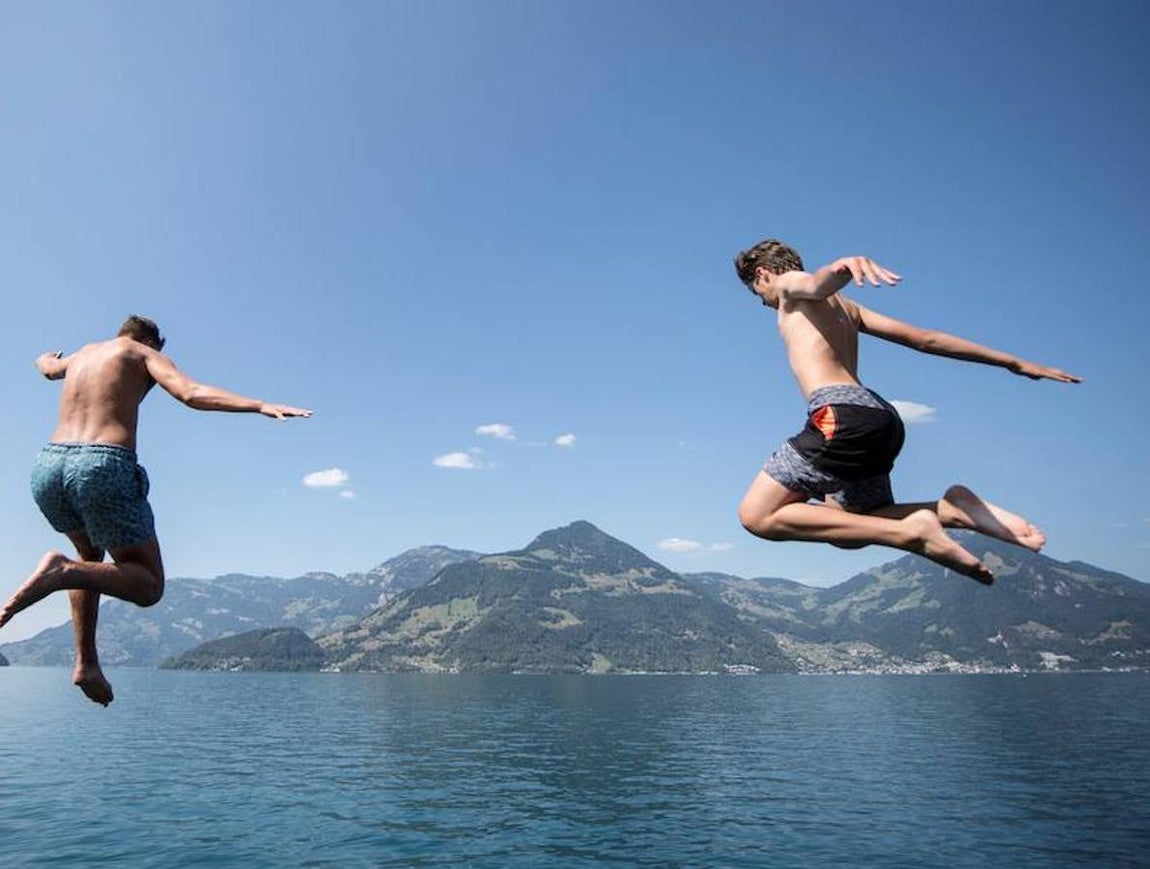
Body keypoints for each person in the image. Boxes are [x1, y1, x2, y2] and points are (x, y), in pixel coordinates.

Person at [0, 316, 311, 705]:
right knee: (148, 585)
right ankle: (59, 571)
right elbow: (191, 392)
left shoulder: (82, 355)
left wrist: (43, 358)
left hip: (48, 467)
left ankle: (86, 663)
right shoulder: (141, 351)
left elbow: (47, 368)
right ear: (152, 342)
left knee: (90, 558)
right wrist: (259, 405)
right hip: (101, 464)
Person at [732, 239, 1080, 585]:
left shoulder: (789, 287)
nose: (763, 302)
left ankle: (911, 534)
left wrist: (840, 269)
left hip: (839, 414)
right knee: (848, 525)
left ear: (763, 274)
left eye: (756, 293)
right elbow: (924, 338)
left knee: (758, 515)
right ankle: (950, 511)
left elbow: (812, 281)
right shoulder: (848, 309)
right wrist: (1012, 361)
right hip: (879, 418)